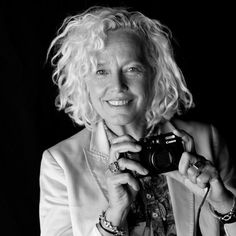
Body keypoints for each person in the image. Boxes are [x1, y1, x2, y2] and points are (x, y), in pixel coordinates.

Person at [39, 6, 236, 236]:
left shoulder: (206, 139)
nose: (118, 86)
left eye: (132, 69)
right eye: (101, 71)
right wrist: (114, 215)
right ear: (84, 82)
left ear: (154, 75)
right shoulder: (60, 163)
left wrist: (224, 203)